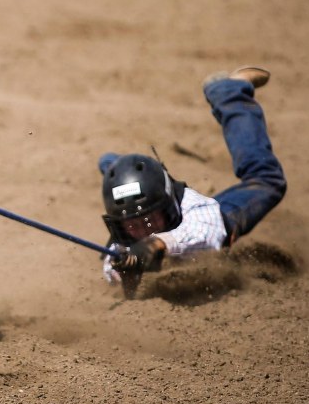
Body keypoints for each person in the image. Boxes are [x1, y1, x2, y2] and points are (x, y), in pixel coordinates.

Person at [99, 66, 286, 296]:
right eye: (134, 226)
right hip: (154, 202)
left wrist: (157, 244)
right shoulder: (123, 237)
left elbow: (204, 235)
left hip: (213, 216)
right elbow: (111, 268)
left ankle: (229, 92)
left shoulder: (198, 212)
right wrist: (124, 272)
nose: (144, 231)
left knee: (268, 180)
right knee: (124, 177)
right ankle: (111, 163)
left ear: (169, 207)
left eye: (151, 221)